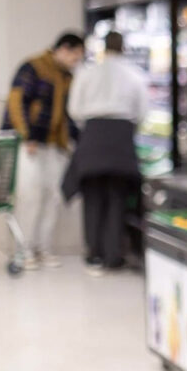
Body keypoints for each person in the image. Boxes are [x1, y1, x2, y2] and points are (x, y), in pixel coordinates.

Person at [62, 31, 148, 276]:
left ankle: (94, 255)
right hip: (121, 138)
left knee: (92, 198)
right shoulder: (134, 75)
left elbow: (75, 110)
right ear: (123, 48)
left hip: (92, 136)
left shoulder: (87, 73)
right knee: (117, 198)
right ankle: (114, 256)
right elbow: (142, 113)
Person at [4, 32, 85, 270]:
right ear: (64, 49)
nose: (76, 62)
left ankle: (43, 247)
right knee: (30, 196)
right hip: (29, 144)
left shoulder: (67, 77)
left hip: (54, 146)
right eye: (75, 56)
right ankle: (24, 249)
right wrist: (26, 135)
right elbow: (16, 102)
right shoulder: (33, 67)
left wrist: (77, 141)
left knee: (53, 196)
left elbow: (68, 115)